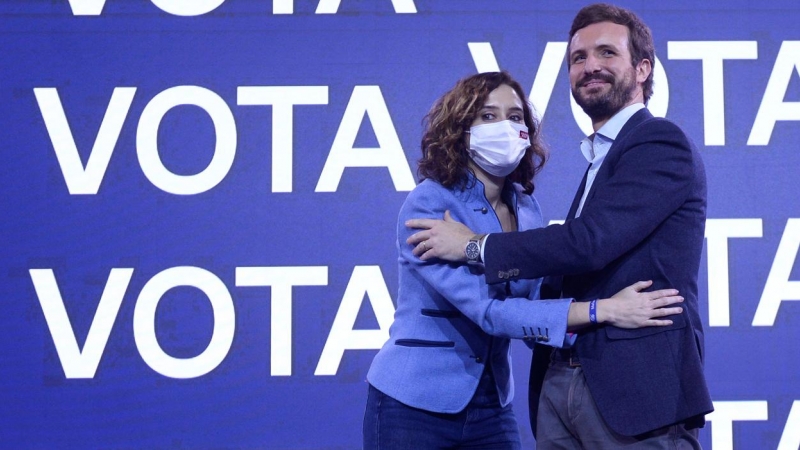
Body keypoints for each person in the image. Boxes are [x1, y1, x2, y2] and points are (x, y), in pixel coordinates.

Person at [406, 4, 714, 448]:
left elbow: (589, 244)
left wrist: (476, 247)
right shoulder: (601, 157)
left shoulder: (658, 142)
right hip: (561, 383)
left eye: (607, 53)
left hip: (635, 393)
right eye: (578, 58)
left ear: (643, 68)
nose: (590, 67)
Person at [363, 71, 686, 449]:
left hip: (492, 404)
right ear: (461, 130)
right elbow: (491, 312)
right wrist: (602, 310)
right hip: (414, 403)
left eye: (515, 117)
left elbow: (535, 308)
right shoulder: (430, 203)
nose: (505, 126)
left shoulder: (527, 207)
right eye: (487, 116)